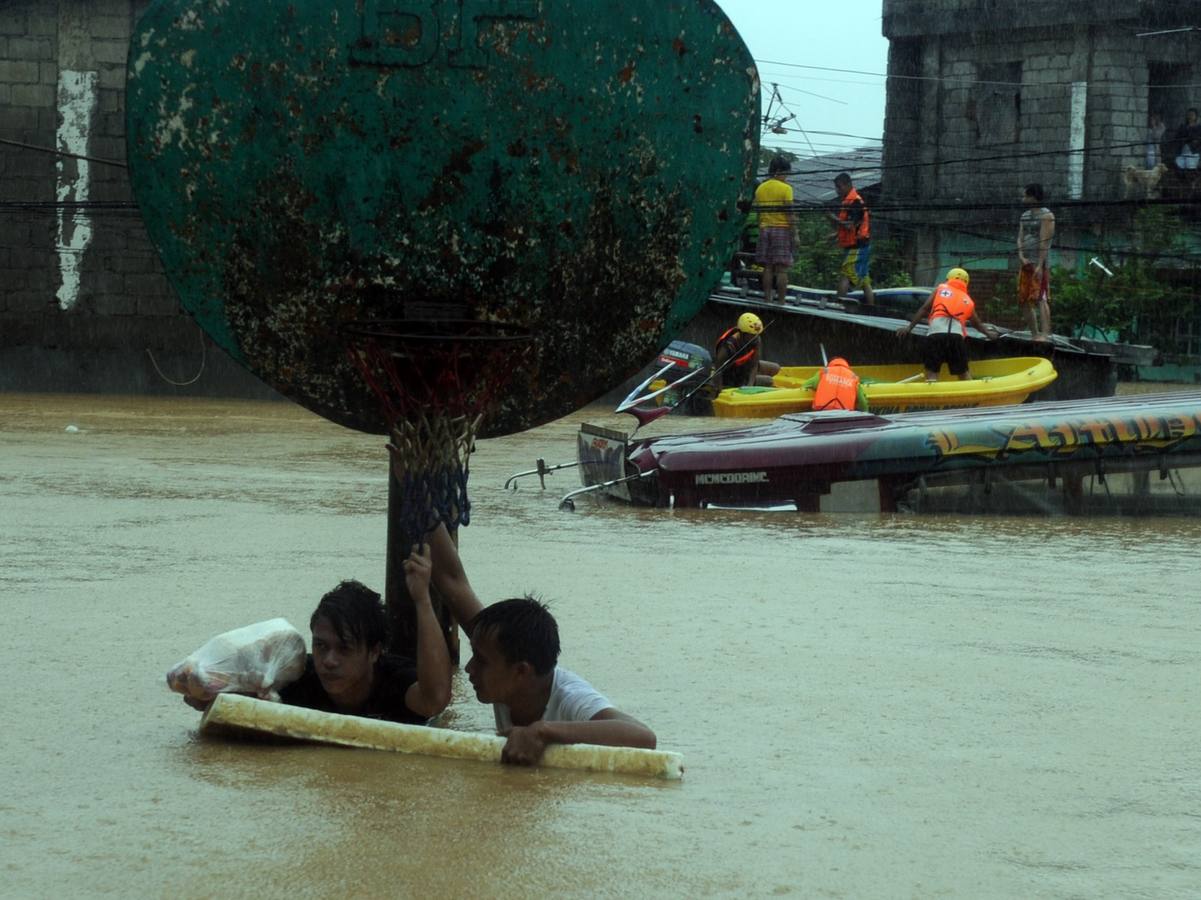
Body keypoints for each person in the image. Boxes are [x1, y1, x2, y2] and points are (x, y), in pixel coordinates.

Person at [424, 524, 658, 766]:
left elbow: (644, 738)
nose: (469, 669)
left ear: (521, 672)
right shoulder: (498, 650)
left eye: (480, 661)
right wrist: (424, 499)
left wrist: (542, 731)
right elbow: (452, 581)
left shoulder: (570, 698)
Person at [181, 545, 452, 724]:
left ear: (374, 652)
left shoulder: (395, 682)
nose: (328, 661)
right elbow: (224, 702)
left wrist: (422, 599)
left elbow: (435, 700)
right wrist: (203, 692)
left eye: (344, 649)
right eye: (321, 646)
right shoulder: (297, 678)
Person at [896, 267, 998, 382]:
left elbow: (924, 309)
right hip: (956, 338)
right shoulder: (968, 299)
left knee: (932, 374)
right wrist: (989, 334)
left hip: (936, 335)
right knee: (964, 374)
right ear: (966, 283)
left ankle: (932, 396)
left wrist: (909, 328)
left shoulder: (940, 289)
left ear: (948, 279)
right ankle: (971, 399)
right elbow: (976, 323)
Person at [753, 156, 796, 303]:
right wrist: (795, 234)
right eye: (786, 173)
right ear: (778, 171)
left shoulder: (760, 188)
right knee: (782, 269)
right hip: (782, 230)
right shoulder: (786, 189)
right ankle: (782, 302)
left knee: (768, 267)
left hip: (764, 229)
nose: (787, 177)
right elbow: (790, 213)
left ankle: (767, 299)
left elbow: (759, 214)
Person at [828, 172, 875, 306]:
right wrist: (835, 235)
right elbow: (851, 226)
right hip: (859, 245)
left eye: (839, 187)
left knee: (845, 274)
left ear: (848, 185)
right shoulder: (849, 201)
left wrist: (832, 218)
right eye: (836, 187)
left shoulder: (855, 202)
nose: (837, 190)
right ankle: (871, 308)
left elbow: (850, 226)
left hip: (857, 247)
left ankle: (839, 305)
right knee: (865, 279)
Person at [1016, 183, 1054, 341]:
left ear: (1033, 197)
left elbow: (1045, 241)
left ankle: (1045, 334)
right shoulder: (1025, 216)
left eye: (1026, 195)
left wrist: (1040, 264)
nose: (1023, 199)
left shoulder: (1047, 216)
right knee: (1024, 298)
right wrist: (1021, 255)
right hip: (1026, 262)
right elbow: (1020, 237)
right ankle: (1034, 333)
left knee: (1041, 297)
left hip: (1040, 263)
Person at [713, 311, 780, 389]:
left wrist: (750, 385)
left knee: (776, 368)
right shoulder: (728, 346)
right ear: (742, 333)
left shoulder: (756, 339)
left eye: (756, 335)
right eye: (751, 335)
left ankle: (752, 379)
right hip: (733, 376)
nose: (755, 337)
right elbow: (718, 370)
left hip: (745, 367)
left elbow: (754, 365)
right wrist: (719, 389)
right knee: (769, 381)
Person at [801, 357, 869, 411]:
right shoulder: (853, 377)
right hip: (845, 415)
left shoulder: (825, 371)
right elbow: (863, 402)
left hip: (822, 413)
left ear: (829, 364)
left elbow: (805, 385)